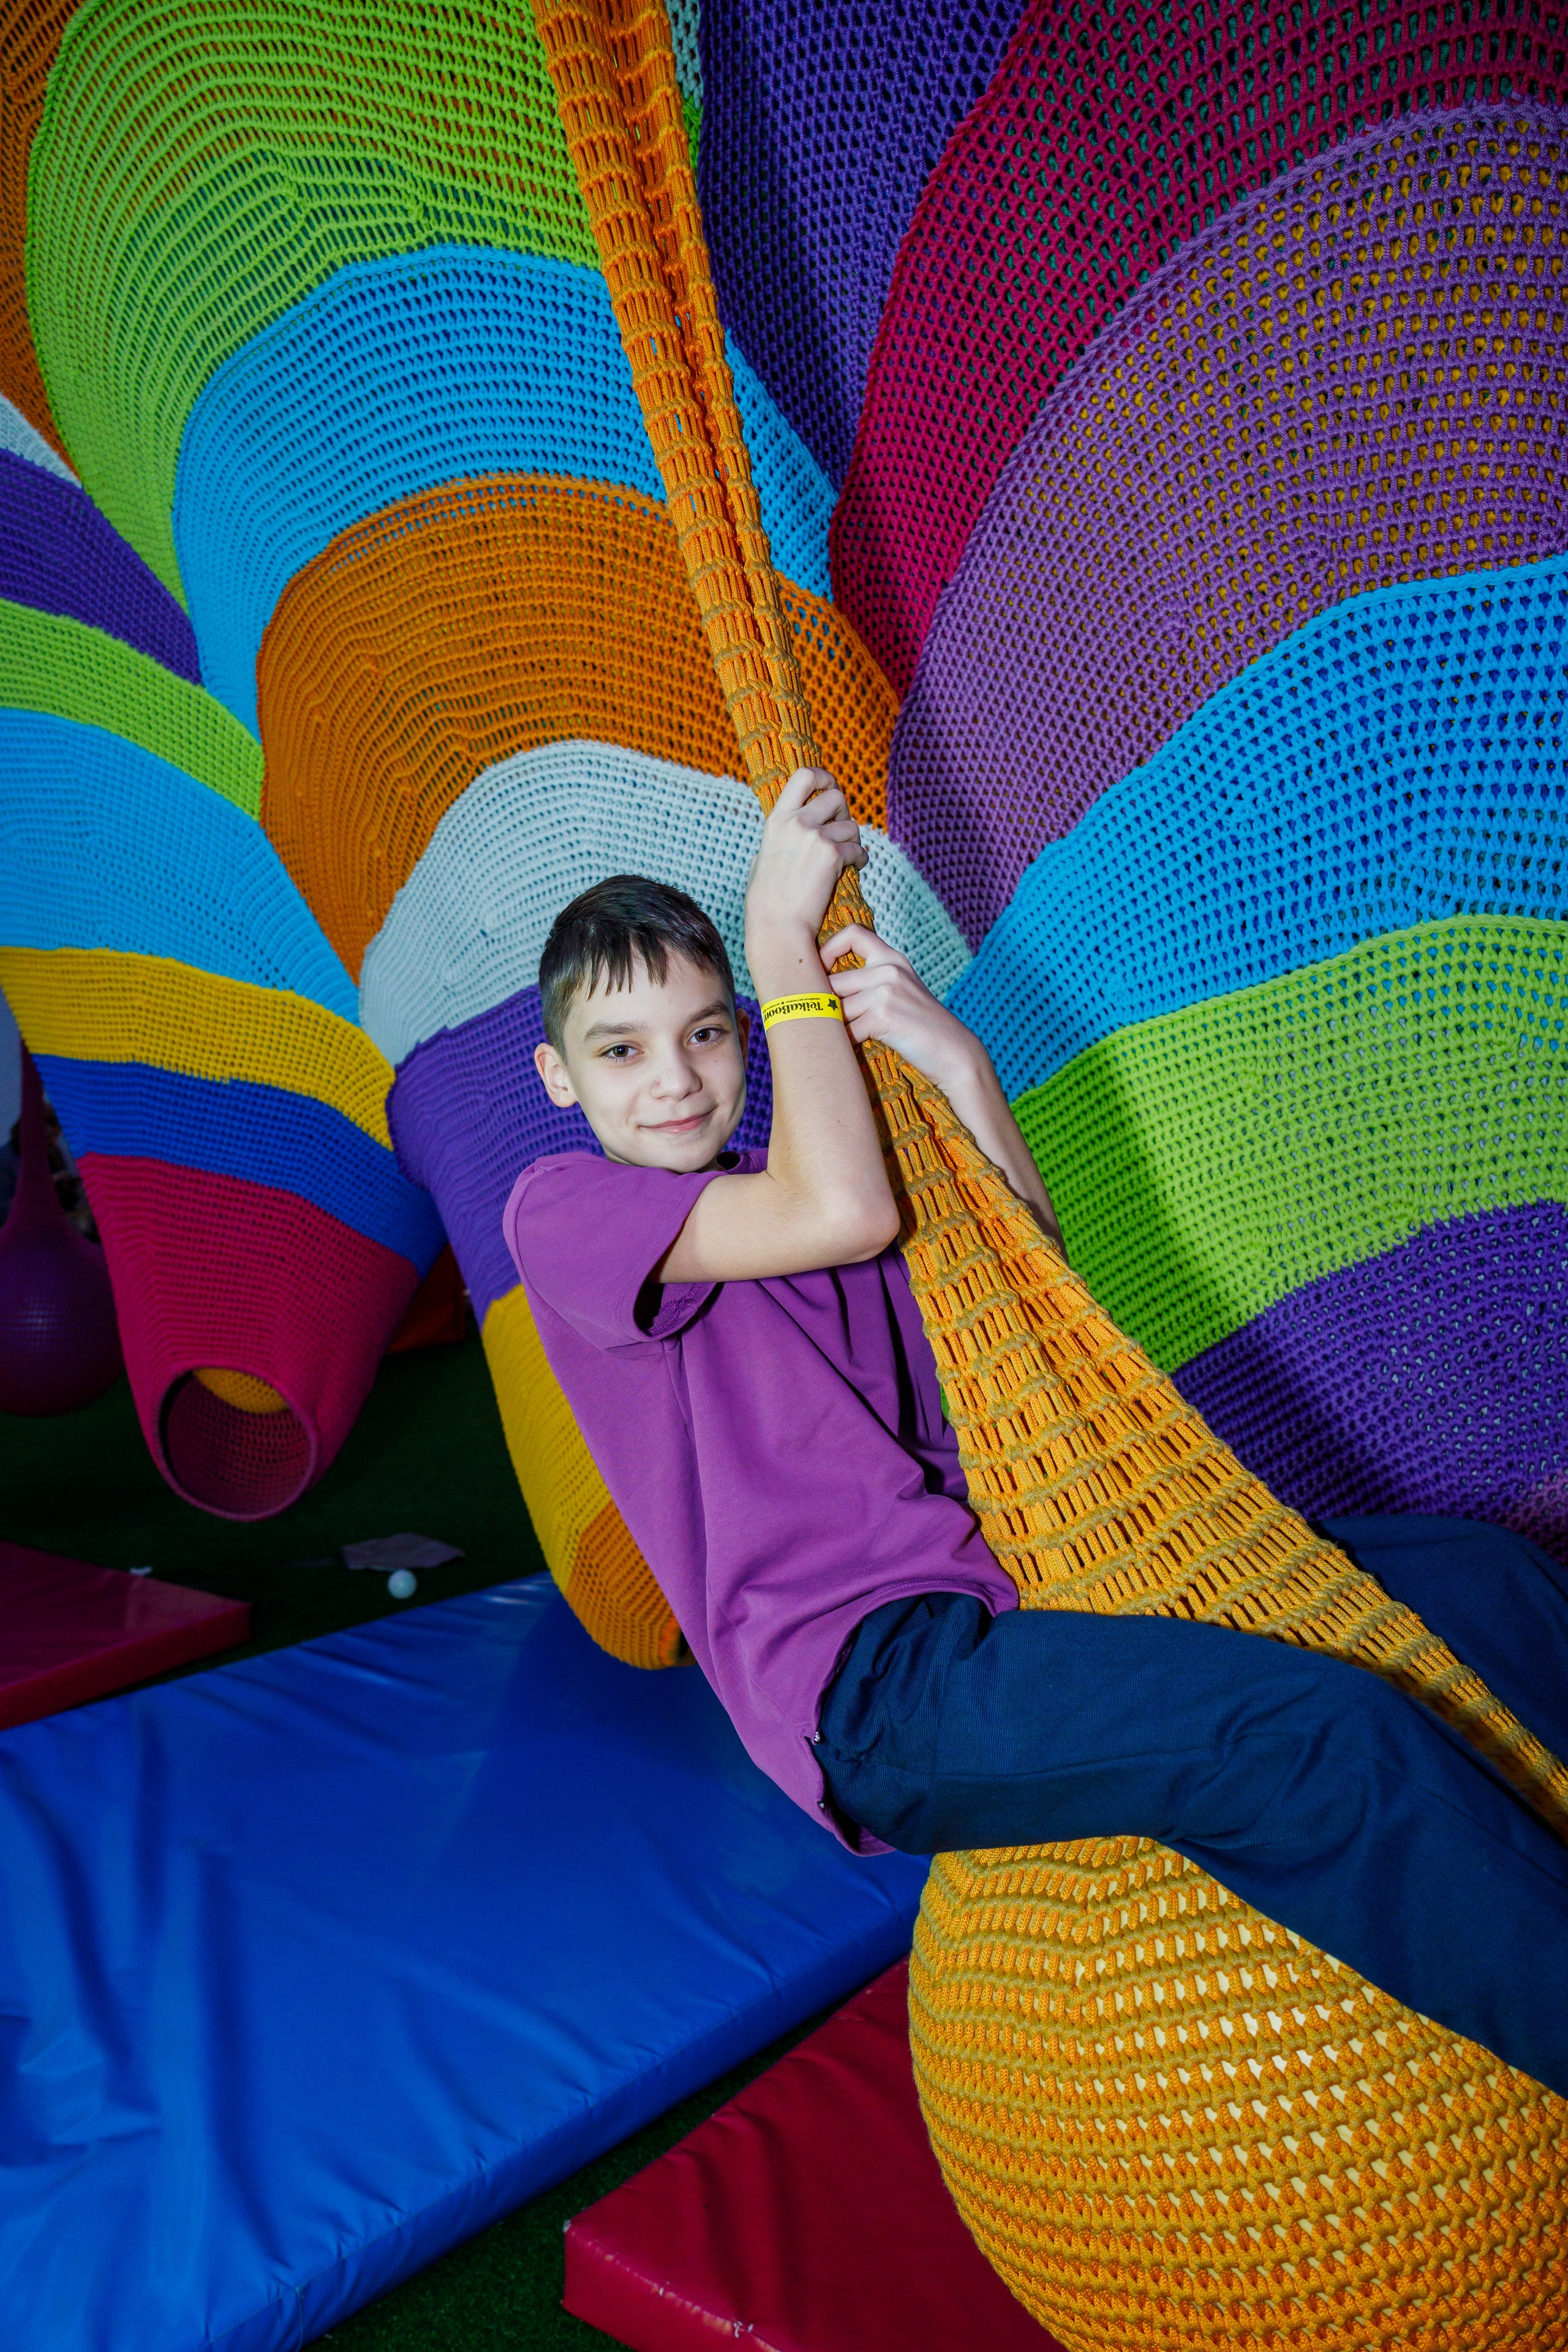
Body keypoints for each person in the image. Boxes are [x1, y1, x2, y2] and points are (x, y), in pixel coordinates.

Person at [505, 767, 1568, 2092]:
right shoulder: (565, 1214)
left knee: (1487, 1581)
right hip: (878, 1691)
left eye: (707, 1033)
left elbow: (1023, 1295)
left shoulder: (791, 1198)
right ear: (558, 1076)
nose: (671, 1079)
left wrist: (957, 1063)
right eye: (621, 1050)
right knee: (1312, 1736)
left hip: (1022, 1583)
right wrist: (776, 938)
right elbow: (845, 1210)